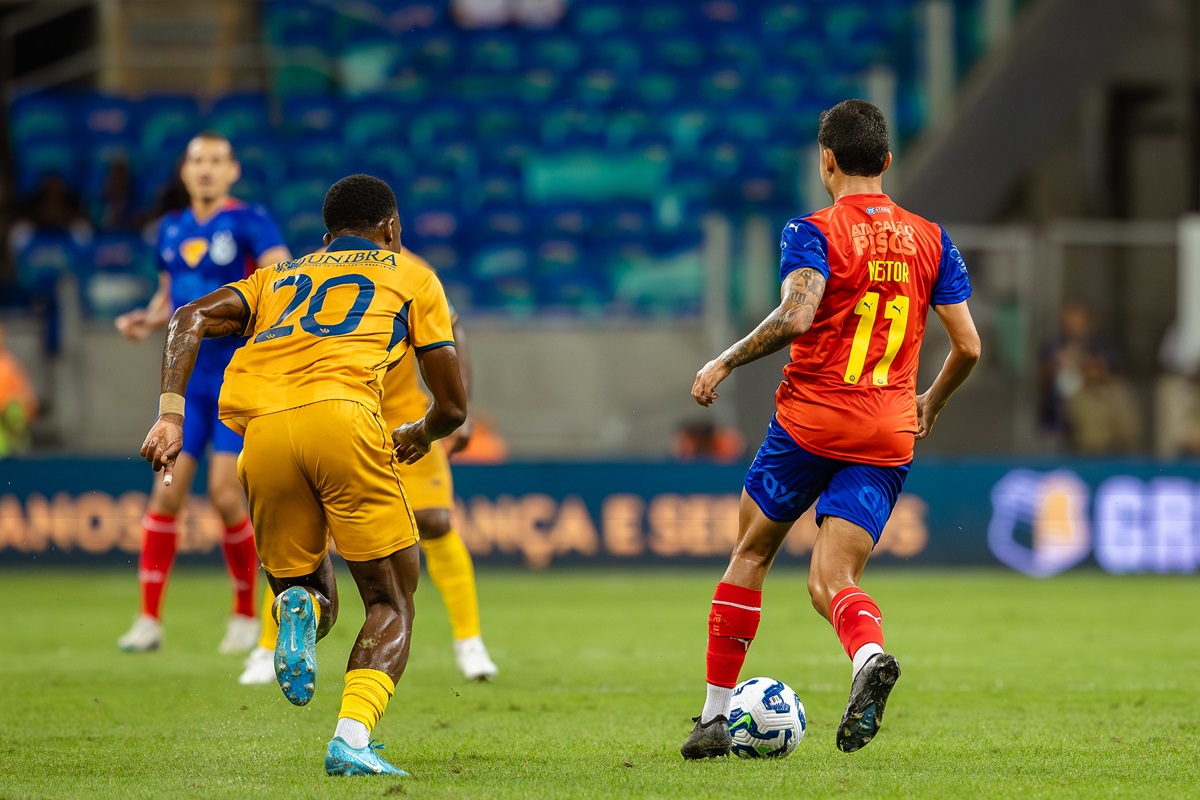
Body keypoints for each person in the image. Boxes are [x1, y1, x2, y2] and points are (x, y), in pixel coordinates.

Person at [679, 100, 980, 759]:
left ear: (827, 160)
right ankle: (867, 655)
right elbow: (970, 346)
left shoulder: (814, 229)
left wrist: (722, 362)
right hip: (887, 433)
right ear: (889, 162)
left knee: (751, 554)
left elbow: (795, 315)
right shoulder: (932, 238)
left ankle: (712, 718)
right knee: (832, 581)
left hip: (810, 424)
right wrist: (929, 401)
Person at [139, 174, 467, 777]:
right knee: (391, 600)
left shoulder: (279, 276)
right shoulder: (412, 274)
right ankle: (350, 738)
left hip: (259, 433)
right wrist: (421, 434)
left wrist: (169, 416)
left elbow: (187, 316)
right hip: (343, 419)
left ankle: (302, 614)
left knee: (310, 592)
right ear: (391, 230)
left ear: (325, 237)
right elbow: (453, 407)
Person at [240, 250, 498, 685]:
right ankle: (268, 646)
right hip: (339, 411)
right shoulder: (315, 270)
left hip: (402, 417)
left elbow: (453, 329)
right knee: (313, 537)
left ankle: (470, 643)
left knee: (434, 520)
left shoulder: (413, 273)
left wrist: (461, 407)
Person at [114, 132, 291, 654]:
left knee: (222, 491)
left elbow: (282, 274)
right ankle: (148, 620)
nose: (207, 170)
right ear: (185, 172)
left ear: (233, 170)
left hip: (237, 376)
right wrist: (147, 320)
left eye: (216, 161)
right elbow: (172, 293)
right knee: (165, 495)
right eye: (197, 161)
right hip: (186, 384)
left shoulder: (249, 221)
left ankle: (242, 616)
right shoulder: (170, 229)